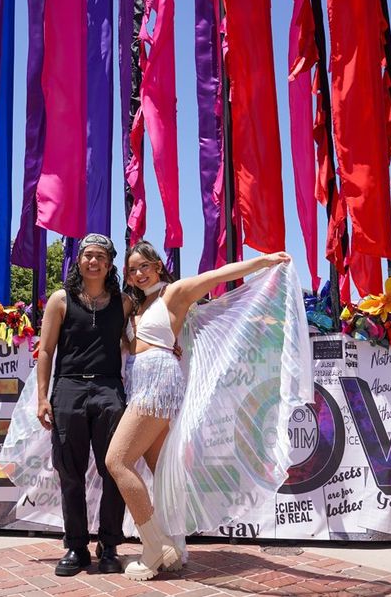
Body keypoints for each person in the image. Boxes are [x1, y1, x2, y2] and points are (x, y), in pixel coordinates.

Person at [105, 241, 291, 581]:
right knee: (159, 468)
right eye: (132, 270)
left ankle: (152, 548)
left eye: (144, 266)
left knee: (116, 461)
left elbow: (216, 275)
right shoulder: (136, 306)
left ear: (158, 266)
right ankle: (175, 546)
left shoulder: (174, 293)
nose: (138, 273)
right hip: (142, 383)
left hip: (158, 384)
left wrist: (263, 261)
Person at [35, 234, 131, 576]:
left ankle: (109, 544)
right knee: (70, 472)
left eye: (100, 257)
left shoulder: (124, 302)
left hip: (108, 389)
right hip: (69, 389)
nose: (93, 262)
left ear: (109, 264)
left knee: (114, 470)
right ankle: (76, 547)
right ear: (79, 261)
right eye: (88, 256)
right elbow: (45, 351)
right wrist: (42, 397)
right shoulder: (61, 300)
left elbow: (141, 337)